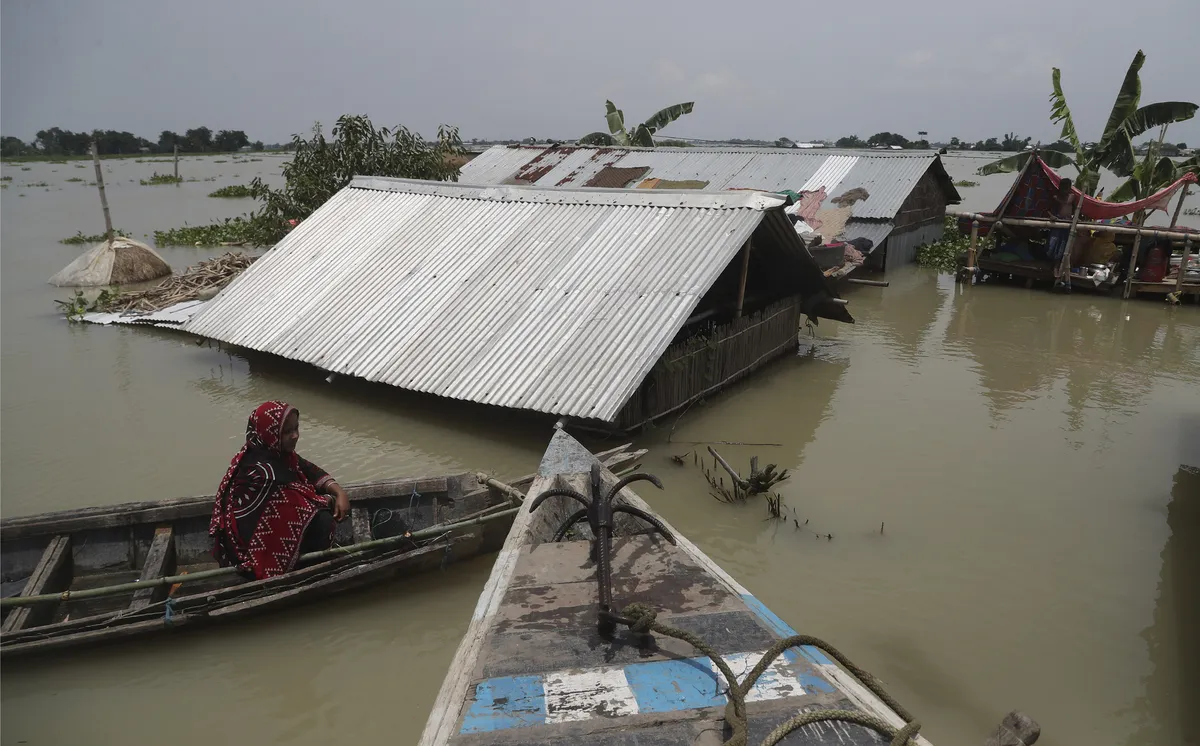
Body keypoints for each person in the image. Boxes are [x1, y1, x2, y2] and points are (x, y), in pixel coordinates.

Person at [209, 401, 350, 579]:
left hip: (267, 538)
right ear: (270, 434)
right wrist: (331, 499)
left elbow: (310, 471)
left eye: (296, 428)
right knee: (323, 519)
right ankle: (306, 570)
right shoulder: (262, 472)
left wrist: (339, 491)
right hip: (252, 559)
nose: (295, 436)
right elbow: (309, 503)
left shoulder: (276, 452)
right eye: (287, 432)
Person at [1045, 178, 1077, 264]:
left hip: (1067, 223)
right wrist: (1052, 216)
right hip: (1057, 222)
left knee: (1063, 244)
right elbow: (1047, 209)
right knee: (1053, 244)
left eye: (1068, 187)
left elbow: (1073, 207)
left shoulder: (1072, 196)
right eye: (1064, 187)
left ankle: (1057, 265)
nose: (1066, 189)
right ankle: (1052, 263)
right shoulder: (1055, 196)